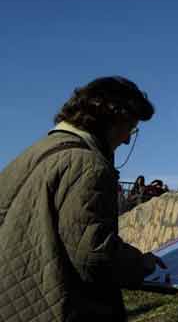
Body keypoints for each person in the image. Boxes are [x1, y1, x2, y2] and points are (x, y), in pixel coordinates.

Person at [0, 76, 166, 321]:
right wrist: (142, 264)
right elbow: (93, 253)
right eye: (130, 127)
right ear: (112, 117)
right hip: (59, 306)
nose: (128, 139)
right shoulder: (88, 164)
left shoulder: (34, 153)